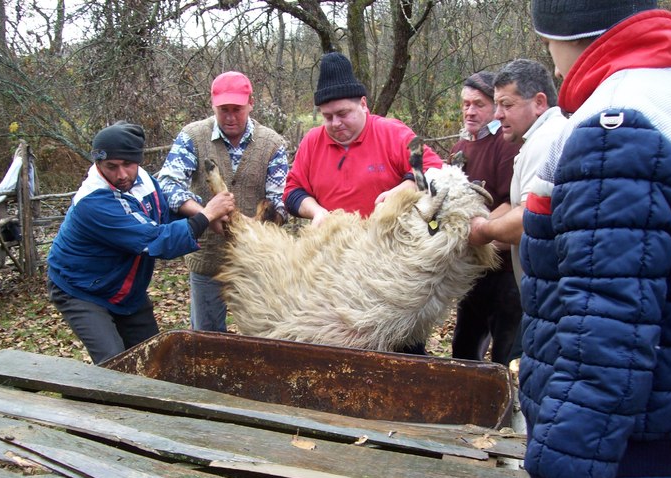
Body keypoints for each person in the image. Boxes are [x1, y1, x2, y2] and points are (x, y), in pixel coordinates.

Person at [520, 2, 671, 478]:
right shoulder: (663, 94)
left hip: (612, 467)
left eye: (547, 43)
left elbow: (608, 330)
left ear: (564, 30)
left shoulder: (616, 123)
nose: (554, 63)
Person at [47, 121, 235, 365]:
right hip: (82, 289)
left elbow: (163, 213)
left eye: (127, 164)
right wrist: (206, 215)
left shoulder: (143, 181)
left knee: (153, 359)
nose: (121, 174)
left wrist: (202, 216)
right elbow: (157, 239)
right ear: (97, 164)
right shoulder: (93, 202)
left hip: (125, 289)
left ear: (138, 161)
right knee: (115, 363)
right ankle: (84, 401)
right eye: (111, 167)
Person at [157, 71, 288, 333]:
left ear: (250, 103)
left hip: (259, 262)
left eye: (237, 109)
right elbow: (167, 185)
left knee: (263, 332)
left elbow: (279, 202)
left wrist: (250, 227)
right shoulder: (192, 136)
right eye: (223, 109)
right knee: (207, 335)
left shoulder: (272, 143)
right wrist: (206, 214)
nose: (230, 117)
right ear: (212, 104)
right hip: (208, 259)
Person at [283, 52, 443, 228]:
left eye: (343, 114)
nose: (336, 123)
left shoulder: (393, 133)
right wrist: (316, 211)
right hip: (333, 245)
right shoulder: (312, 142)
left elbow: (435, 168)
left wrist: (403, 191)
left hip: (389, 243)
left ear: (363, 104)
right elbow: (292, 191)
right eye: (328, 117)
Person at [468, 59, 566, 288]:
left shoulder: (546, 140)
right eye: (496, 105)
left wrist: (481, 230)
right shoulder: (541, 138)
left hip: (552, 290)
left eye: (507, 105)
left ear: (539, 103)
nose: (497, 115)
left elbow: (528, 221)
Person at [449, 71, 522, 365]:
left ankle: (508, 405)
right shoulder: (460, 148)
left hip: (504, 271)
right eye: (465, 104)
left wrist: (480, 234)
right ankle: (467, 407)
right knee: (464, 349)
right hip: (471, 270)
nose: (469, 111)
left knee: (506, 352)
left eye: (478, 104)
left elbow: (511, 202)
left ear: (495, 108)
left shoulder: (506, 144)